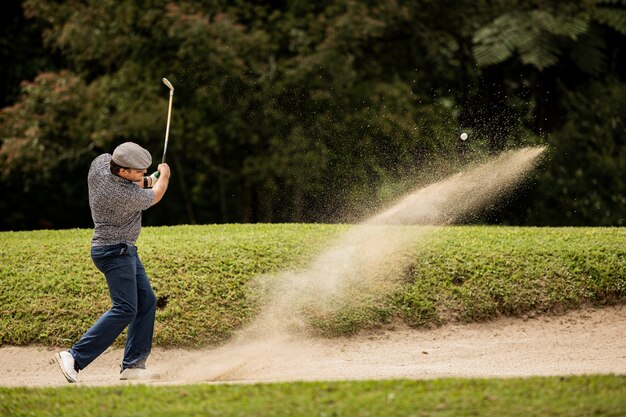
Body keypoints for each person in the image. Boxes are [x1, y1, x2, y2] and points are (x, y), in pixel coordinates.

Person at [56, 142, 170, 383]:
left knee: (146, 300)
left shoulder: (100, 163)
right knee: (126, 308)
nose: (142, 173)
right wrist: (164, 176)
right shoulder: (121, 195)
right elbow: (156, 194)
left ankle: (133, 365)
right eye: (138, 171)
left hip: (122, 250)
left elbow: (141, 183)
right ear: (122, 172)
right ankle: (74, 357)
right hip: (114, 252)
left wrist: (149, 177)